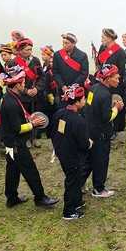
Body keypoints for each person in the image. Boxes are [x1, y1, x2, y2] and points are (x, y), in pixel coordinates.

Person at [0, 65, 59, 209]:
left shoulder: (9, 97)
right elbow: (17, 128)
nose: (25, 84)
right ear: (17, 84)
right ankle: (40, 197)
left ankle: (11, 197)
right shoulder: (11, 103)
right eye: (23, 82)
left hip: (10, 143)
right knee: (30, 170)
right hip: (16, 144)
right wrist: (33, 123)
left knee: (13, 170)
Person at [81, 64, 125, 197]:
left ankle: (79, 183)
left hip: (90, 130)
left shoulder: (93, 88)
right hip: (101, 134)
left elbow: (90, 108)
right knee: (100, 162)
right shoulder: (105, 94)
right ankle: (99, 189)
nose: (118, 80)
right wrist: (116, 108)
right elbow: (106, 117)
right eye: (115, 78)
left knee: (88, 161)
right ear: (107, 78)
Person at [51, 84, 91, 220]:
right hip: (74, 156)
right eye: (83, 99)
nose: (85, 101)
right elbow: (84, 142)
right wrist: (89, 143)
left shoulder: (60, 113)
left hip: (63, 152)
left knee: (75, 178)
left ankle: (77, 201)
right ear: (77, 102)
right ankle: (69, 211)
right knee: (72, 182)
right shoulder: (78, 120)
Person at [12, 38, 45, 147]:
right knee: (23, 117)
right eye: (27, 50)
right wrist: (26, 91)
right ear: (20, 50)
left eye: (30, 49)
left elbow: (42, 77)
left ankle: (34, 137)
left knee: (36, 115)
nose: (29, 52)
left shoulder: (35, 60)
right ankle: (25, 138)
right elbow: (12, 80)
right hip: (22, 95)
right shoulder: (14, 62)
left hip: (35, 95)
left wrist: (37, 88)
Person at [97, 28, 126, 136]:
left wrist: (112, 79)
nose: (101, 40)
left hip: (115, 83)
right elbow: (99, 63)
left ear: (109, 39)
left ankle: (116, 129)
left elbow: (121, 71)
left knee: (115, 104)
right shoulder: (102, 48)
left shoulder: (120, 52)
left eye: (103, 37)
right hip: (103, 82)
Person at [52, 33, 89, 101]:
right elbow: (55, 72)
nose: (64, 45)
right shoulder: (57, 55)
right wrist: (63, 86)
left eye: (67, 43)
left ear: (73, 44)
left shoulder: (82, 56)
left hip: (76, 90)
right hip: (62, 90)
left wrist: (72, 87)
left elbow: (84, 73)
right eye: (63, 42)